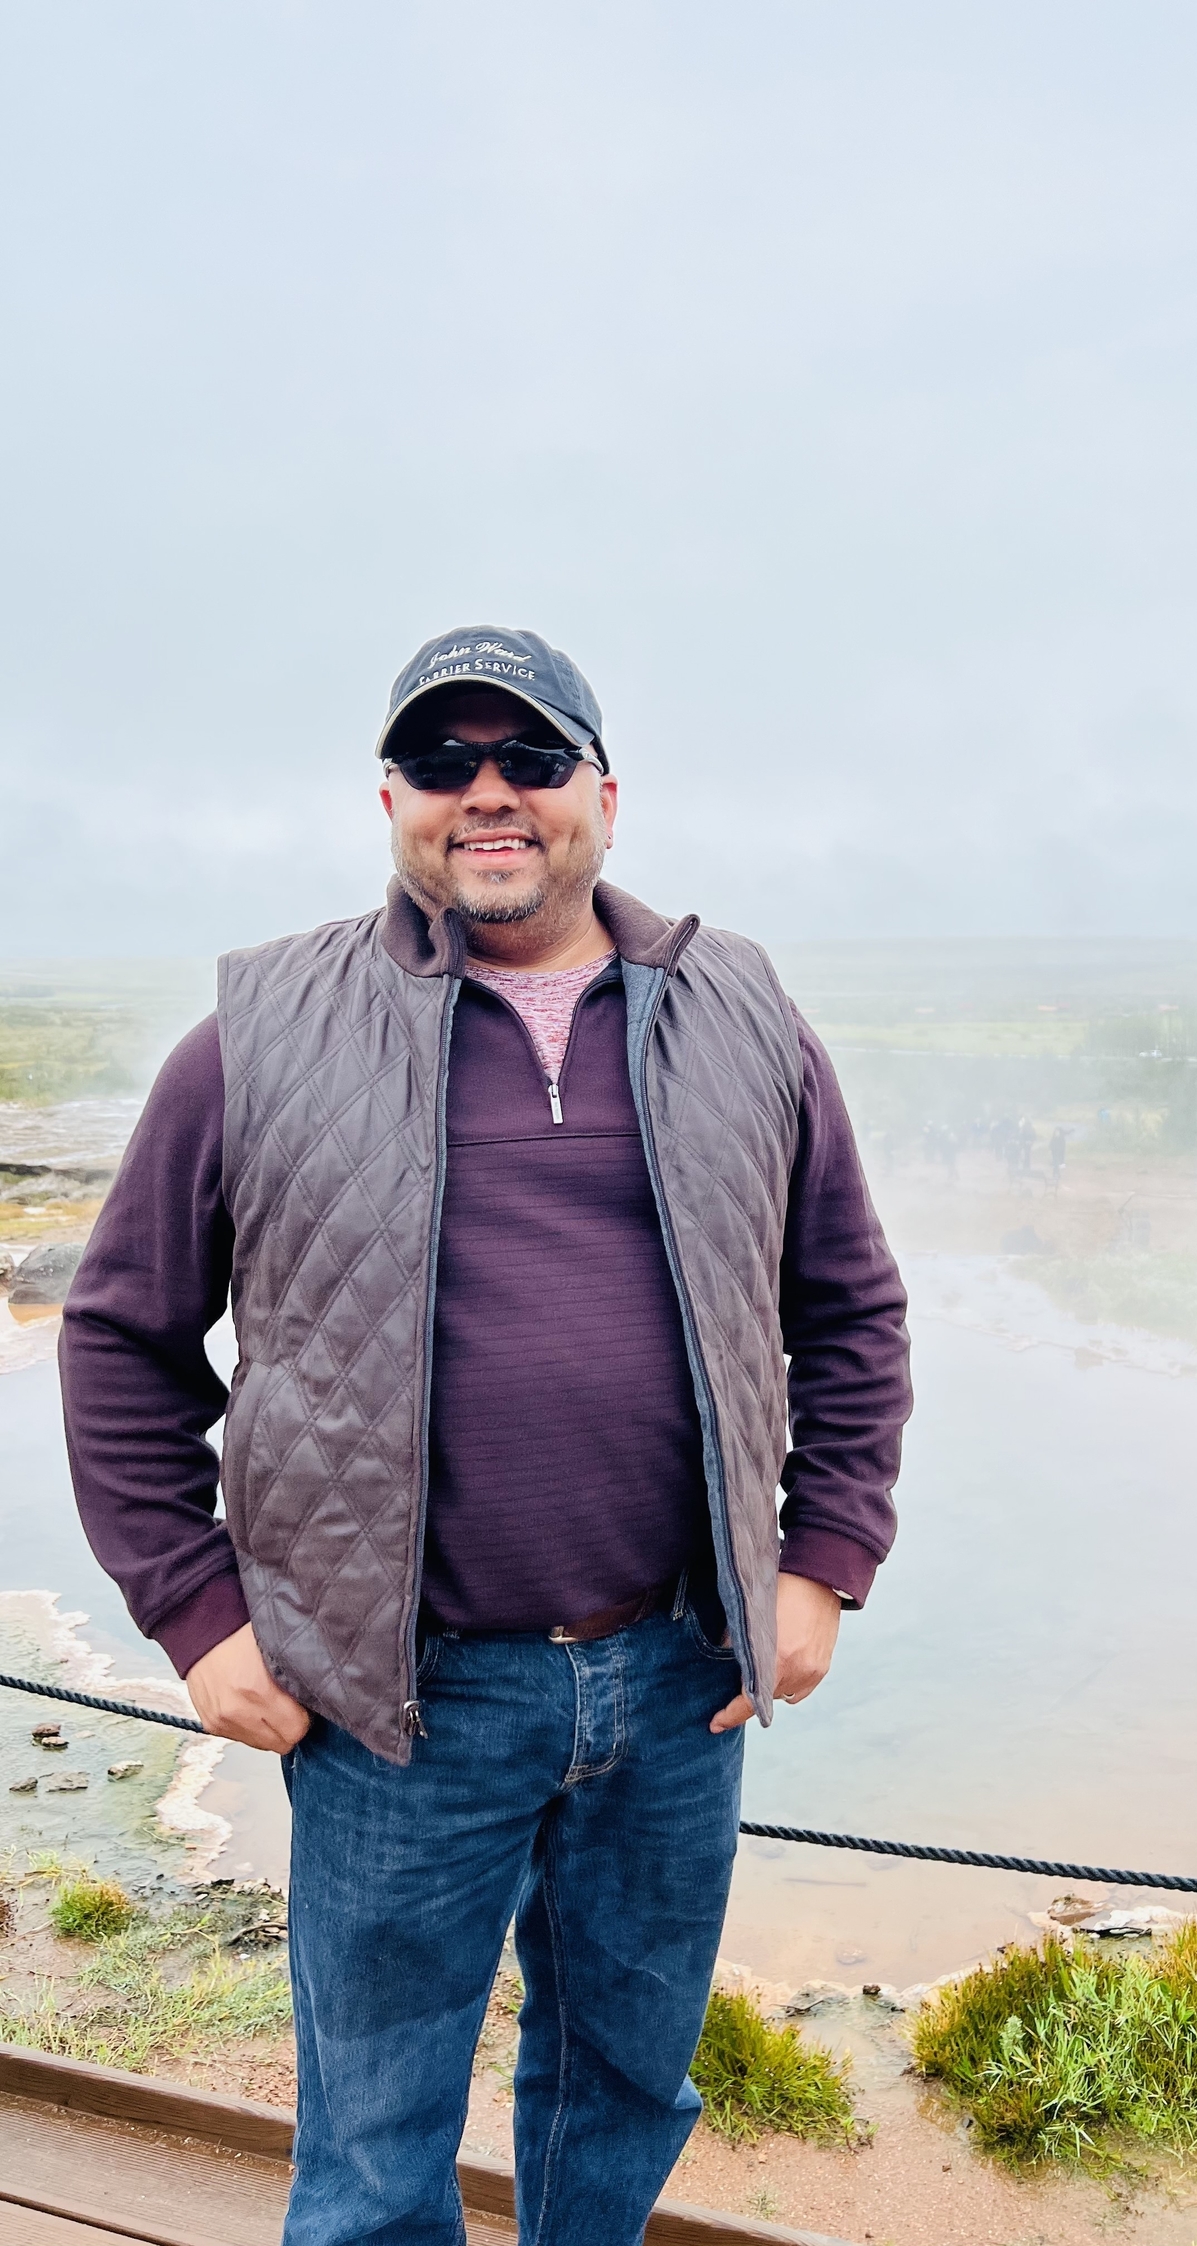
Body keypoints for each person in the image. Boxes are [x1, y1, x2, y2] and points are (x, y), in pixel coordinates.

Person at [60, 626, 912, 2246]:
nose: (489, 792)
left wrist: (821, 1559)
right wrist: (194, 1610)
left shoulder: (741, 1009)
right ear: (391, 799)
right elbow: (118, 1338)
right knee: (375, 2147)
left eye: (529, 756)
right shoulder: (259, 1031)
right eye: (443, 762)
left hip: (679, 1682)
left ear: (606, 792)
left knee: (624, 2093)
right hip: (400, 1702)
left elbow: (851, 1304)